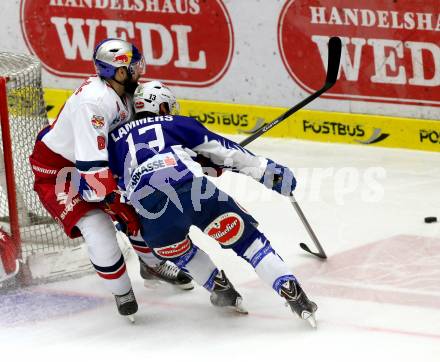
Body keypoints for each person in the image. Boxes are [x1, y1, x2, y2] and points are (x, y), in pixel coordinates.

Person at [107, 81, 318, 327]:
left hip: (151, 215)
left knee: (183, 253)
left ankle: (222, 291)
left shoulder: (112, 142)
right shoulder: (178, 123)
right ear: (162, 106)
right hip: (194, 191)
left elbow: (113, 187)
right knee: (249, 242)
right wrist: (267, 171)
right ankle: (293, 294)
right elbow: (226, 152)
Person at [29, 39, 192, 322]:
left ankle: (152, 265)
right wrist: (116, 200)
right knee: (98, 228)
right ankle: (122, 291)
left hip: (101, 163)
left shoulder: (127, 92)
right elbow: (91, 169)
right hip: (60, 172)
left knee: (144, 210)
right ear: (118, 72)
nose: (139, 70)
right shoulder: (94, 103)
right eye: (133, 65)